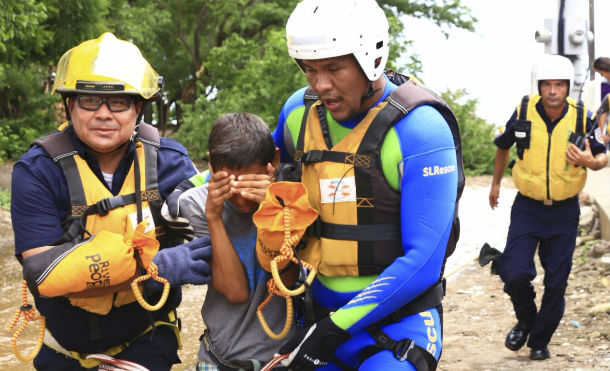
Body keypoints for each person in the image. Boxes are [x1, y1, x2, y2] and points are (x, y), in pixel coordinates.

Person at [270, 0, 462, 370]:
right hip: (319, 315)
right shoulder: (298, 112)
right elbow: (253, 168)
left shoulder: (420, 130)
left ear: (371, 58)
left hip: (398, 328)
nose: (321, 84)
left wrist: (333, 329)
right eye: (309, 69)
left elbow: (423, 261)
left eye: (334, 68)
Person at [10, 32, 212, 371]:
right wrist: (151, 268)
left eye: (118, 102)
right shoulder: (37, 171)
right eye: (90, 101)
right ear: (70, 105)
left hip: (146, 339)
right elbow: (43, 272)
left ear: (138, 108)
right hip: (62, 348)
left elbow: (212, 236)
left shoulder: (171, 162)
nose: (104, 114)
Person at [489, 54, 608, 361]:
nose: (553, 91)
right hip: (527, 207)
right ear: (538, 86)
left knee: (556, 282)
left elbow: (602, 156)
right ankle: (526, 319)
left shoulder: (584, 116)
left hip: (563, 211)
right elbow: (502, 146)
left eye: (559, 85)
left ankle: (539, 339)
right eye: (547, 85)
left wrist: (589, 161)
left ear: (568, 87)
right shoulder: (523, 110)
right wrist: (496, 184)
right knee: (514, 271)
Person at [173, 113, 294, 371]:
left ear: (273, 161)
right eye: (230, 185)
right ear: (213, 167)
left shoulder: (293, 199)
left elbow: (289, 281)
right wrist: (214, 217)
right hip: (220, 357)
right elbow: (235, 291)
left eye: (250, 182)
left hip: (283, 360)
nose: (240, 199)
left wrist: (273, 209)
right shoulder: (197, 204)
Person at [592, 57, 610, 147]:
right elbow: (603, 110)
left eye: (600, 73)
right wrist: (602, 134)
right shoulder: (605, 84)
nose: (602, 76)